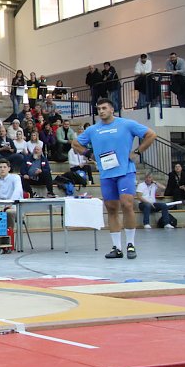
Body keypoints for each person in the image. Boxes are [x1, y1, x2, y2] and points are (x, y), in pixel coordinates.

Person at [72, 98, 156, 259]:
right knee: (111, 208)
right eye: (98, 109)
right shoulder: (93, 130)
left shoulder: (126, 124)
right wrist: (89, 154)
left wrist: (137, 152)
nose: (101, 111)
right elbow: (75, 144)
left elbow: (151, 135)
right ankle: (117, 247)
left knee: (127, 204)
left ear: (112, 109)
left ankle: (130, 244)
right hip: (106, 174)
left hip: (125, 172)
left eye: (104, 108)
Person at [0, 159, 23, 229]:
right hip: (0, 206)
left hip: (14, 206)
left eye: (4, 167)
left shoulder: (15, 178)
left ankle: (9, 234)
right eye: (0, 167)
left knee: (9, 212)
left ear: (9, 169)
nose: (2, 169)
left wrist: (10, 203)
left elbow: (17, 191)